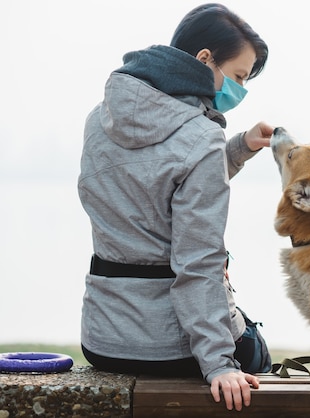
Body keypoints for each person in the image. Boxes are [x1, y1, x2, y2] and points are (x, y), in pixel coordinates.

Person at [77, 3, 272, 411]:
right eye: (238, 76)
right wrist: (220, 364)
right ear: (205, 59)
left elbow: (155, 186)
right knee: (257, 353)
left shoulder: (99, 119)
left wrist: (239, 147)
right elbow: (198, 262)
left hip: (102, 337)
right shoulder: (201, 137)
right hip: (168, 345)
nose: (240, 90)